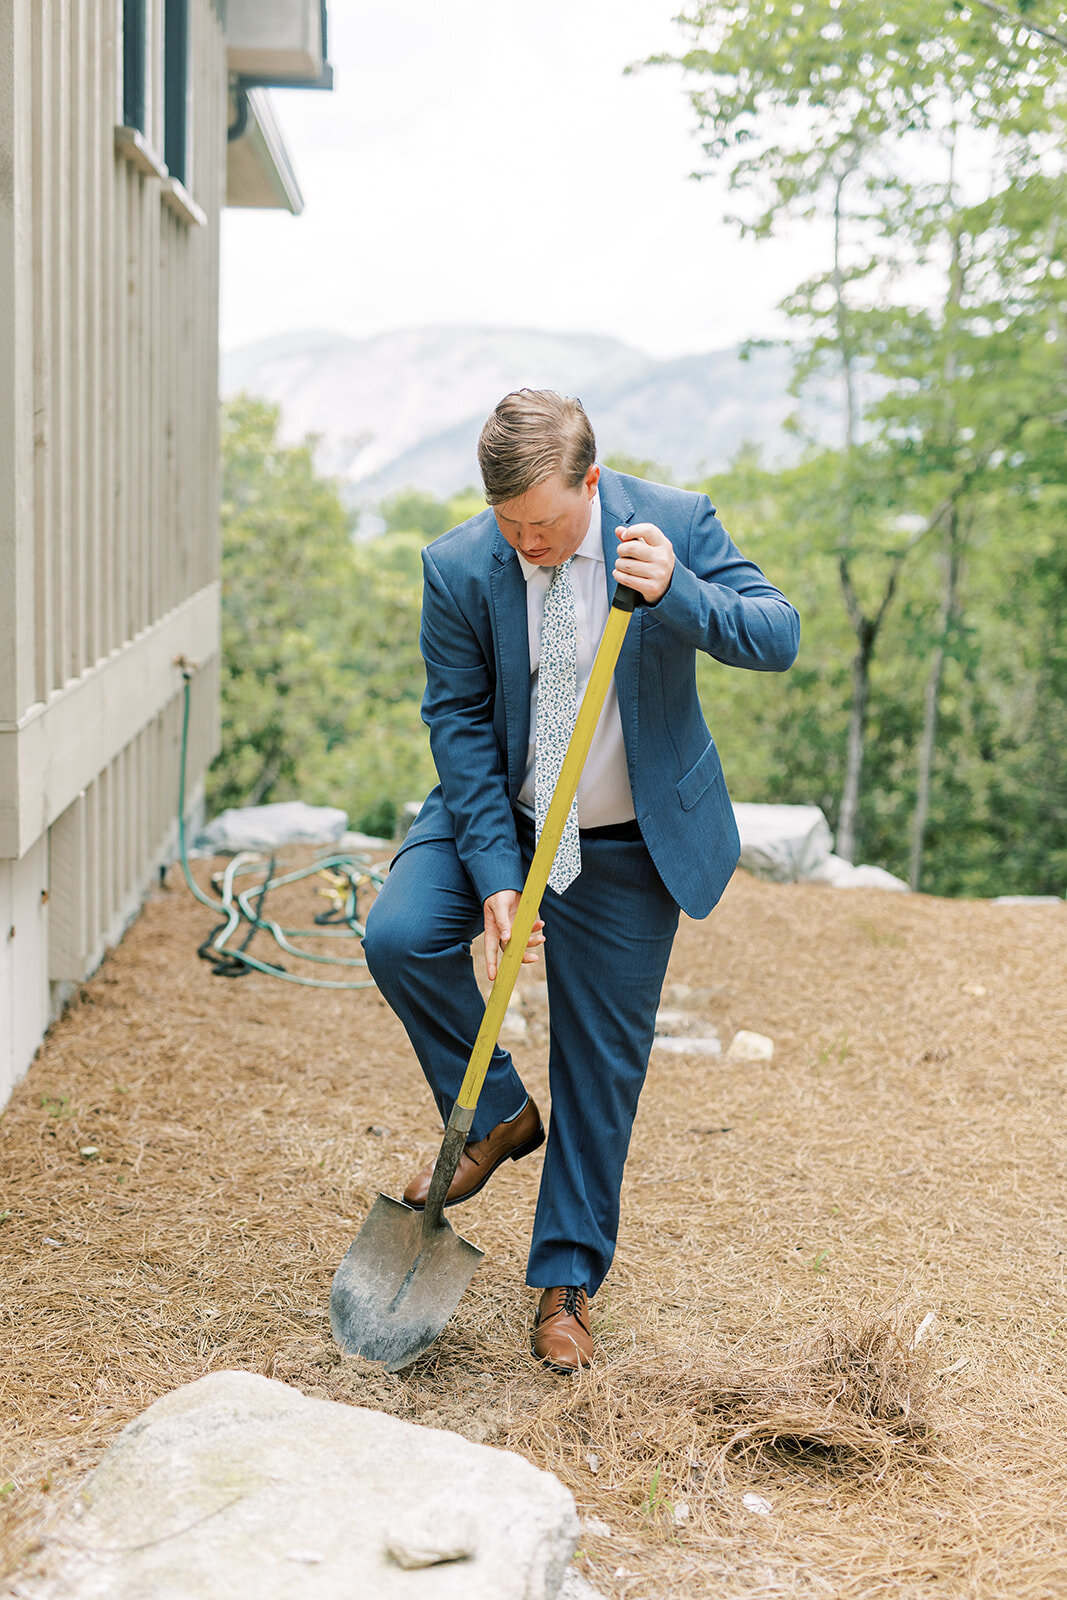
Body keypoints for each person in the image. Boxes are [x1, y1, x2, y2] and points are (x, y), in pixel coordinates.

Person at [363, 390, 799, 1372]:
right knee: (397, 936)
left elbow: (776, 634)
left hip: (629, 838)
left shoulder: (673, 525)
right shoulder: (458, 564)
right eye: (510, 525)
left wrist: (677, 590)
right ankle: (496, 1111)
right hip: (502, 815)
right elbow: (458, 726)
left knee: (600, 1066)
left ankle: (563, 1284)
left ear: (590, 483)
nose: (529, 544)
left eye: (549, 524)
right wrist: (491, 873)